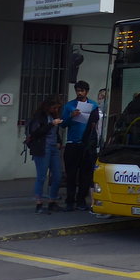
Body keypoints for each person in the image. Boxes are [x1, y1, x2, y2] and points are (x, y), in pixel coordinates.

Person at [61, 81, 99, 211]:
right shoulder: (69, 106)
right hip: (73, 143)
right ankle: (70, 200)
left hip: (87, 145)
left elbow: (96, 122)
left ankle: (81, 200)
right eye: (77, 90)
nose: (79, 93)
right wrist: (71, 116)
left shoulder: (93, 105)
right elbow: (62, 124)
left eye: (82, 90)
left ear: (86, 92)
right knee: (71, 174)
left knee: (86, 174)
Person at [25, 96, 64, 213]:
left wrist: (59, 141)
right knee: (41, 176)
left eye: (57, 108)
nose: (56, 110)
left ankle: (52, 201)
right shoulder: (39, 116)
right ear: (48, 106)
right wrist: (51, 124)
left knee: (57, 176)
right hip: (42, 147)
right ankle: (39, 204)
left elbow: (55, 132)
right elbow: (36, 132)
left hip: (53, 147)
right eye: (54, 108)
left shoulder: (53, 116)